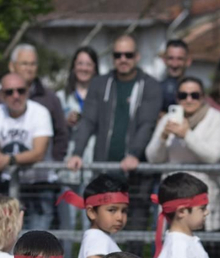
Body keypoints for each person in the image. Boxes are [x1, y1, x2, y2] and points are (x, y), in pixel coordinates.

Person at [0, 46, 68, 228]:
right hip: (6, 184)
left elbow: (42, 150)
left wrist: (8, 159)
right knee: (5, 239)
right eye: (10, 92)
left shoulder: (45, 105)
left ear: (27, 92)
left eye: (21, 91)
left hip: (39, 184)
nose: (15, 95)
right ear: (2, 95)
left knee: (35, 242)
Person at [144, 73, 220, 250]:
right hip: (174, 200)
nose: (188, 99)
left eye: (194, 95)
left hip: (205, 201)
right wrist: (163, 137)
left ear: (203, 97)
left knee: (208, 256)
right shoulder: (170, 119)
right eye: (183, 95)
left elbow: (214, 156)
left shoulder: (215, 118)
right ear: (177, 97)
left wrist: (186, 135)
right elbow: (152, 157)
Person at [66, 34, 162, 174]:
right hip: (102, 170)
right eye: (118, 55)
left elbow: (147, 124)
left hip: (136, 172)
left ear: (137, 57)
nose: (123, 59)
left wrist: (134, 154)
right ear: (112, 58)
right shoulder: (99, 84)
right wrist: (77, 153)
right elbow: (87, 121)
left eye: (128, 55)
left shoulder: (151, 86)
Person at [57, 46, 101, 229]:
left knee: (90, 223)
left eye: (88, 64)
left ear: (95, 68)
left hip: (93, 165)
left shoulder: (103, 96)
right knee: (67, 224)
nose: (84, 68)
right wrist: (64, 122)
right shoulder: (61, 97)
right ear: (74, 67)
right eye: (80, 63)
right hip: (68, 167)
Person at [159, 37, 191, 108]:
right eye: (171, 58)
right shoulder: (155, 89)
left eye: (180, 59)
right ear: (164, 60)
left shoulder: (195, 90)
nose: (174, 64)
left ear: (188, 61)